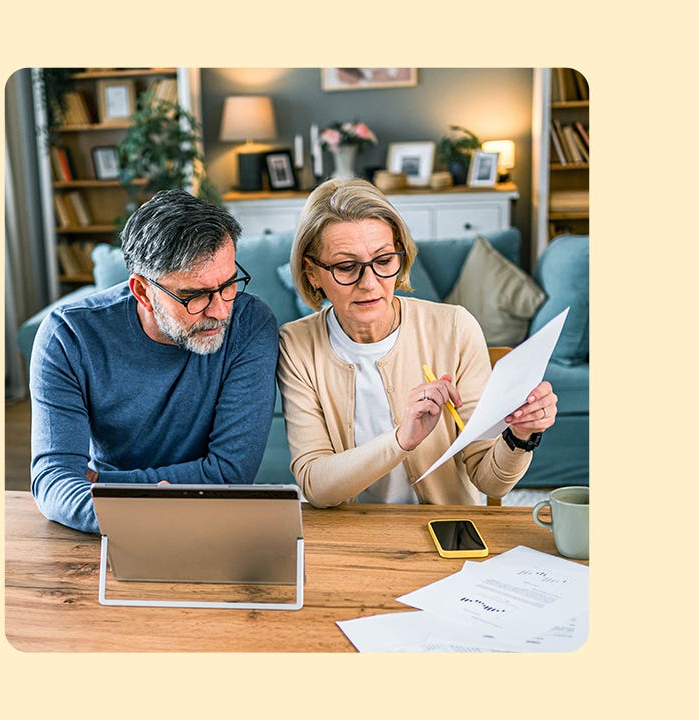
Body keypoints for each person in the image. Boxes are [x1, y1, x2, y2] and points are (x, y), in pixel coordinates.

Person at [277, 179, 556, 508]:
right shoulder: (296, 344)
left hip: (446, 531)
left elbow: (490, 481)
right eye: (346, 267)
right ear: (312, 273)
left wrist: (521, 435)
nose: (370, 284)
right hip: (350, 536)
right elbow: (316, 486)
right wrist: (401, 439)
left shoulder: (454, 327)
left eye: (383, 261)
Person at [30, 189, 280, 533]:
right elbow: (53, 480)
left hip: (212, 521)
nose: (221, 311)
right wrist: (140, 511)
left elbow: (229, 474)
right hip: (107, 535)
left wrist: (106, 483)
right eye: (194, 296)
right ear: (142, 291)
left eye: (229, 285)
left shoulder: (251, 324)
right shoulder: (68, 336)